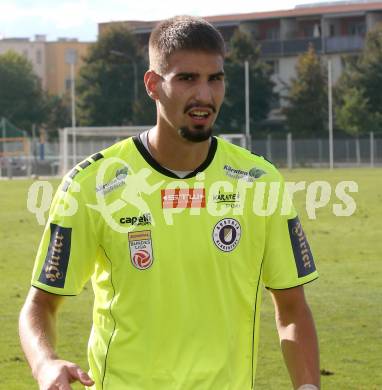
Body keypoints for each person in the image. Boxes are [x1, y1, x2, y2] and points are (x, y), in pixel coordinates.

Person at [19, 16, 320, 390]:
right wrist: (45, 363)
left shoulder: (260, 182)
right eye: (186, 78)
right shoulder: (91, 186)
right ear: (153, 84)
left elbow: (292, 308)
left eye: (215, 79)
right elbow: (39, 305)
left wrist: (308, 386)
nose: (205, 96)